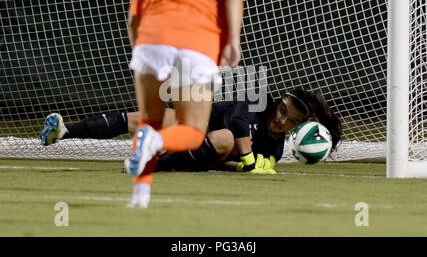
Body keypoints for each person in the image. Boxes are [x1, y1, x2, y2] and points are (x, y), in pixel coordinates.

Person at [125, 0, 247, 208]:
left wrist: (143, 53)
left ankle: (140, 195)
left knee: (149, 122)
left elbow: (134, 19)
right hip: (197, 40)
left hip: (151, 39)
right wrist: (233, 41)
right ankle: (156, 142)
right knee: (192, 132)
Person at [40, 88, 342, 174]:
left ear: (296, 127)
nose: (280, 119)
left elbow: (228, 161)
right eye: (282, 110)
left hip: (198, 152)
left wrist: (240, 166)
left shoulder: (274, 151)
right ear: (278, 103)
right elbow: (237, 123)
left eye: (289, 120)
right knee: (142, 118)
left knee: (222, 141)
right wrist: (248, 160)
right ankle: (65, 131)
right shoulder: (259, 101)